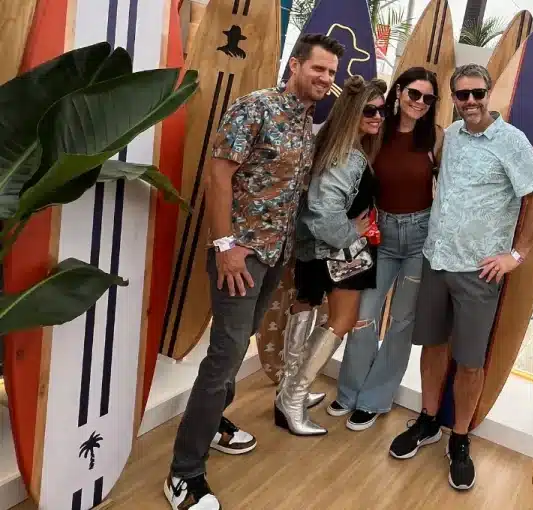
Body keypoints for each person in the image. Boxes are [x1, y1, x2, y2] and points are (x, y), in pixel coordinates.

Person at [164, 33, 344, 509]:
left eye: (331, 73)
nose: (325, 79)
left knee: (234, 344)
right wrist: (224, 246)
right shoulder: (255, 108)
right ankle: (184, 472)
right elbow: (218, 175)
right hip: (238, 259)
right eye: (318, 69)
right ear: (295, 65)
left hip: (273, 256)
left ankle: (216, 421)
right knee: (223, 356)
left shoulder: (307, 124)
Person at [387, 63, 533, 491]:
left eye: (478, 94)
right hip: (436, 260)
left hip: (479, 272)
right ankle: (427, 421)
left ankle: (459, 438)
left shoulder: (511, 142)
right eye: (463, 96)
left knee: (471, 361)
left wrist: (517, 254)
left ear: (490, 93)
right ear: (455, 99)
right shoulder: (452, 138)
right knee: (433, 345)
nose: (472, 102)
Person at [326, 67, 444, 431]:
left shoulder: (436, 139)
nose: (419, 103)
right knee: (364, 314)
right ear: (398, 93)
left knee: (402, 322)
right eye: (413, 94)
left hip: (420, 237)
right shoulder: (378, 129)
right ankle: (349, 392)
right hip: (381, 235)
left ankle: (375, 399)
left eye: (428, 98)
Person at [275, 75, 388, 436]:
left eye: (381, 110)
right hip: (341, 252)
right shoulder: (349, 156)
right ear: (351, 112)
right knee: (341, 321)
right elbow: (324, 211)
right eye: (368, 110)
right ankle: (293, 396)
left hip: (315, 251)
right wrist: (350, 234)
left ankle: (288, 390)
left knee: (306, 307)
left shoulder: (333, 145)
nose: (377, 116)